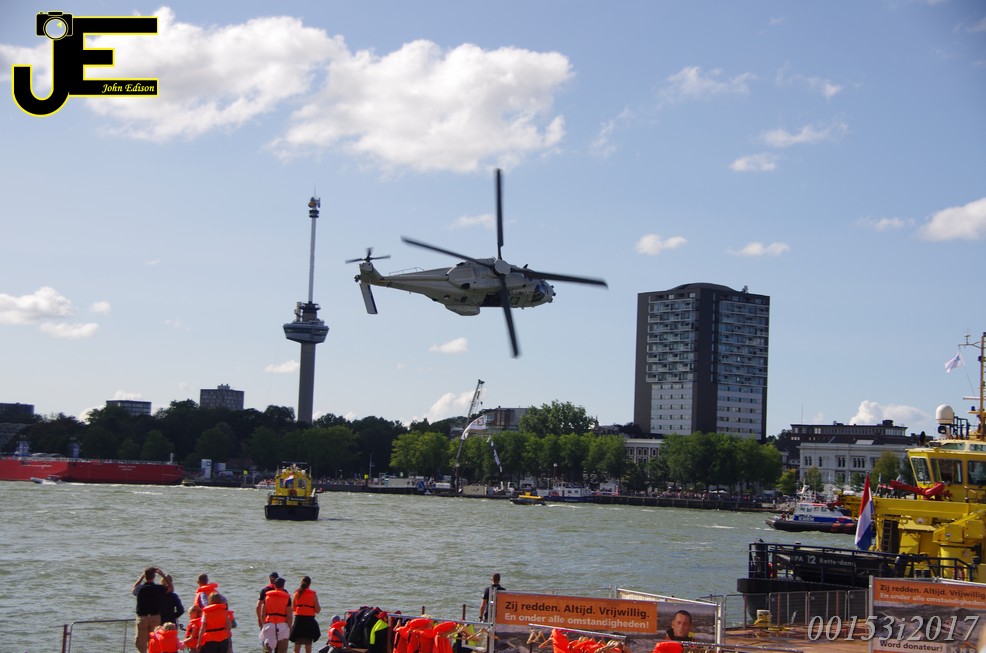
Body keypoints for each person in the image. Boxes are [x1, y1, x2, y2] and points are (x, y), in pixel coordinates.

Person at [132, 566, 173, 653]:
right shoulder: (158, 588)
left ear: (145, 576)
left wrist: (141, 578)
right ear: (154, 577)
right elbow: (171, 588)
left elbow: (134, 589)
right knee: (155, 640)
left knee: (141, 643)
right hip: (155, 617)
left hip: (143, 617)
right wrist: (163, 575)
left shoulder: (140, 588)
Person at [289, 576, 322, 653]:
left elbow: (293, 608)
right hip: (309, 620)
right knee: (308, 645)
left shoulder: (296, 593)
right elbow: (317, 610)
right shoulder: (313, 594)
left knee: (297, 645)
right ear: (309, 584)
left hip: (299, 620)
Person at [261, 576, 293, 653]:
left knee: (267, 650)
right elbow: (289, 615)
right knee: (282, 650)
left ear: (274, 585)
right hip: (282, 625)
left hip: (270, 624)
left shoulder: (267, 597)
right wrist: (289, 628)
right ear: (283, 586)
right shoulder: (287, 598)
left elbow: (263, 613)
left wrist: (264, 624)